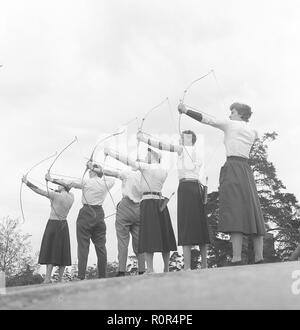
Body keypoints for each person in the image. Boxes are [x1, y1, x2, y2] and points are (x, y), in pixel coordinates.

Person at [178, 102, 266, 265]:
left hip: (233, 167)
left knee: (234, 210)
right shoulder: (253, 132)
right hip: (246, 169)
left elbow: (207, 120)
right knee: (252, 210)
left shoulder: (231, 124)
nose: (229, 115)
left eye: (232, 112)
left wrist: (186, 110)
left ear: (240, 114)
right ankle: (259, 257)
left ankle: (237, 258)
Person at [136, 130, 210, 270]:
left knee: (185, 225)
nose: (179, 139)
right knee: (200, 225)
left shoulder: (183, 149)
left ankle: (187, 267)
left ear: (189, 139)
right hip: (196, 187)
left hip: (186, 187)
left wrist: (143, 138)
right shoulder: (197, 152)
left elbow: (162, 145)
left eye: (182, 137)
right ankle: (205, 265)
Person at [104, 145, 177, 274]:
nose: (145, 156)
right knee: (164, 236)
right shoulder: (163, 170)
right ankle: (166, 268)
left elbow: (128, 161)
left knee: (148, 236)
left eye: (148, 154)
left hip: (148, 202)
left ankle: (149, 269)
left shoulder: (147, 167)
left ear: (154, 156)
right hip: (160, 200)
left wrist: (110, 153)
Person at [46, 162, 115, 279]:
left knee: (83, 246)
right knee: (101, 247)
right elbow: (111, 177)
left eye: (90, 170)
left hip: (86, 213)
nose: (88, 171)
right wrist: (97, 169)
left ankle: (81, 276)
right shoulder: (107, 183)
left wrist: (51, 179)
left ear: (93, 172)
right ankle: (103, 276)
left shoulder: (87, 182)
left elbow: (69, 183)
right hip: (99, 213)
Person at [90, 163, 146, 276]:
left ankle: (121, 270)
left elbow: (112, 173)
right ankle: (142, 270)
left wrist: (93, 168)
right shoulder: (145, 176)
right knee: (139, 241)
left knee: (122, 241)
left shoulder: (128, 173)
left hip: (125, 207)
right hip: (139, 208)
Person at [22, 175, 74, 284]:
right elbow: (62, 192)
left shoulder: (55, 195)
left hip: (53, 223)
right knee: (62, 251)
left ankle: (47, 279)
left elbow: (39, 190)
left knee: (51, 250)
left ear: (63, 187)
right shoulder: (71, 196)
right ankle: (59, 279)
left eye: (59, 185)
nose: (57, 186)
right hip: (64, 225)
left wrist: (27, 182)